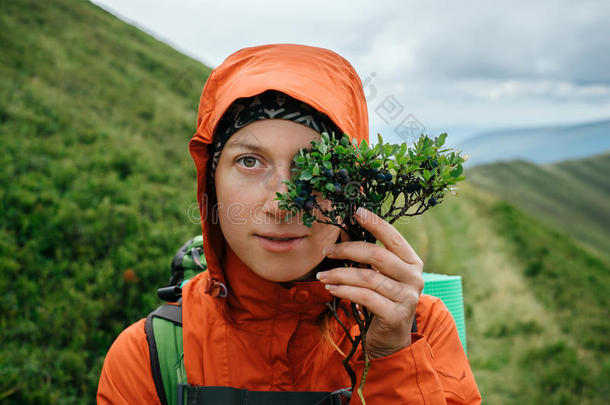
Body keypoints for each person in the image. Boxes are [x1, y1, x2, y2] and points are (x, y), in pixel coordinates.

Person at [97, 43, 481, 404]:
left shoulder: (421, 332)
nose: (281, 206)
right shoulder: (147, 357)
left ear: (353, 188)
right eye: (250, 161)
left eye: (314, 168)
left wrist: (391, 358)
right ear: (211, 184)